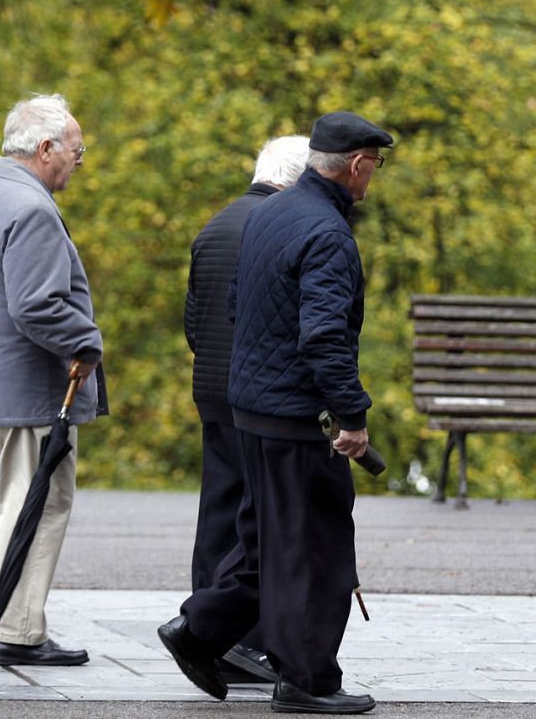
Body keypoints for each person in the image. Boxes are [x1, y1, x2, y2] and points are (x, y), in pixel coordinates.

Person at [159, 111, 391, 715]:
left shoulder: (269, 215)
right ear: (357, 164)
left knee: (266, 541)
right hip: (296, 418)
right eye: (376, 163)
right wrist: (352, 416)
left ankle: (199, 631)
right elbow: (325, 337)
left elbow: (237, 307)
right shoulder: (328, 234)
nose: (374, 174)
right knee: (317, 548)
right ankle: (306, 680)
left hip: (251, 411)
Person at [0, 94, 107, 666]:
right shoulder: (30, 207)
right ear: (46, 148)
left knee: (19, 493)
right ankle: (15, 627)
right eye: (77, 151)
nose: (79, 161)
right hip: (32, 384)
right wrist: (86, 341)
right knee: (44, 500)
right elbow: (37, 305)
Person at [183, 135, 311, 686]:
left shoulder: (215, 224)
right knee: (261, 518)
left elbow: (193, 318)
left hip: (211, 386)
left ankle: (207, 636)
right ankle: (246, 641)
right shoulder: (279, 227)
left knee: (218, 512)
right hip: (257, 394)